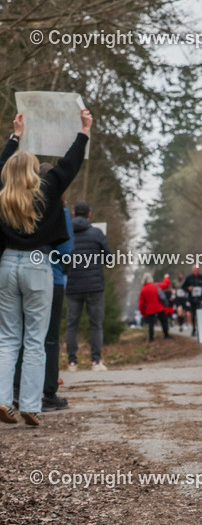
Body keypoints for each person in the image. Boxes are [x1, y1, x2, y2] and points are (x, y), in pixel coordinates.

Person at [0, 109, 91, 426]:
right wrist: (83, 130)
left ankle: (2, 399)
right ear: (34, 171)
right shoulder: (48, 188)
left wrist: (15, 137)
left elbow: (1, 167)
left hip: (7, 262)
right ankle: (29, 404)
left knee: (8, 339)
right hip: (39, 265)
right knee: (35, 341)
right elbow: (70, 164)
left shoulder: (2, 195)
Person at [11, 166, 74, 412]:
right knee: (47, 339)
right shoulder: (59, 210)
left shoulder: (17, 205)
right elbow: (66, 251)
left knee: (17, 336)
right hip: (51, 279)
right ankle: (48, 393)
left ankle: (16, 390)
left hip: (15, 275)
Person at [65, 200, 111, 371]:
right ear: (90, 215)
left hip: (72, 285)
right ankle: (96, 362)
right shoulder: (97, 233)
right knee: (96, 324)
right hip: (95, 285)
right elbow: (109, 257)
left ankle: (72, 363)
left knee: (72, 324)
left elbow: (62, 256)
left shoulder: (67, 233)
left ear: (74, 214)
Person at [139, 273, 173, 341]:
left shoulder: (143, 290)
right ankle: (166, 335)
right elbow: (166, 284)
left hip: (150, 310)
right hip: (159, 308)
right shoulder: (156, 285)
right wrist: (166, 277)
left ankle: (151, 338)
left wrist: (143, 313)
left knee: (151, 324)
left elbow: (141, 304)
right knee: (164, 321)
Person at [183, 264, 202, 337]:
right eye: (194, 270)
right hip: (192, 299)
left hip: (200, 299)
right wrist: (188, 288)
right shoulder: (189, 278)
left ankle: (201, 329)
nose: (195, 271)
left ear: (198, 270)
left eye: (197, 270)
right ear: (192, 270)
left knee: (200, 314)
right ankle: (194, 328)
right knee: (193, 314)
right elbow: (183, 287)